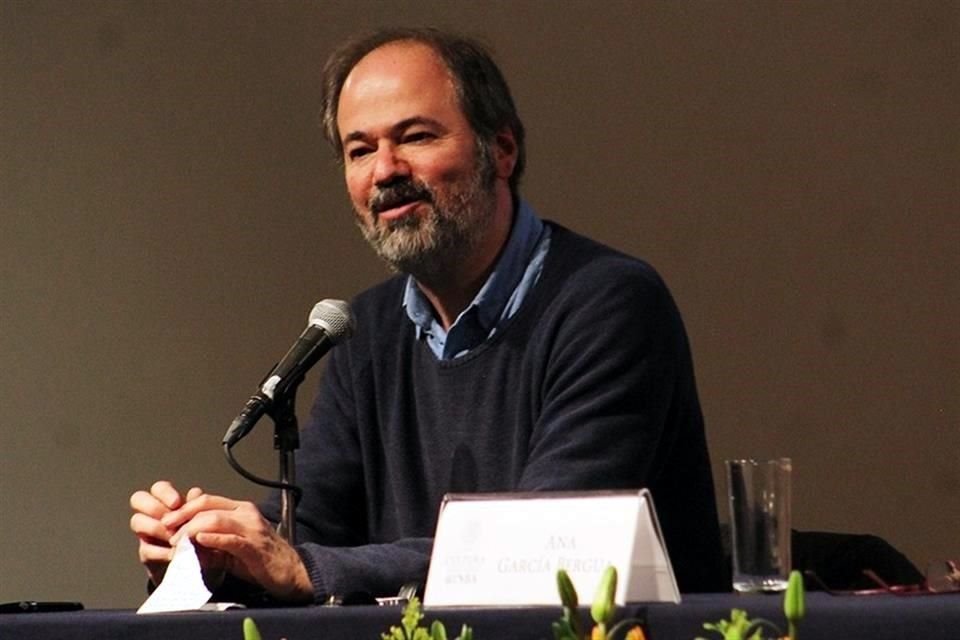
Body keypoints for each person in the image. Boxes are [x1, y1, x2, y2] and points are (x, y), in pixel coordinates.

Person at [129, 27, 727, 604]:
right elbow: (310, 524)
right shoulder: (366, 329)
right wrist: (214, 549)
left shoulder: (607, 302)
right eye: (359, 150)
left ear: (502, 149)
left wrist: (301, 567)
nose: (384, 170)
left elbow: (546, 547)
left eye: (414, 137)